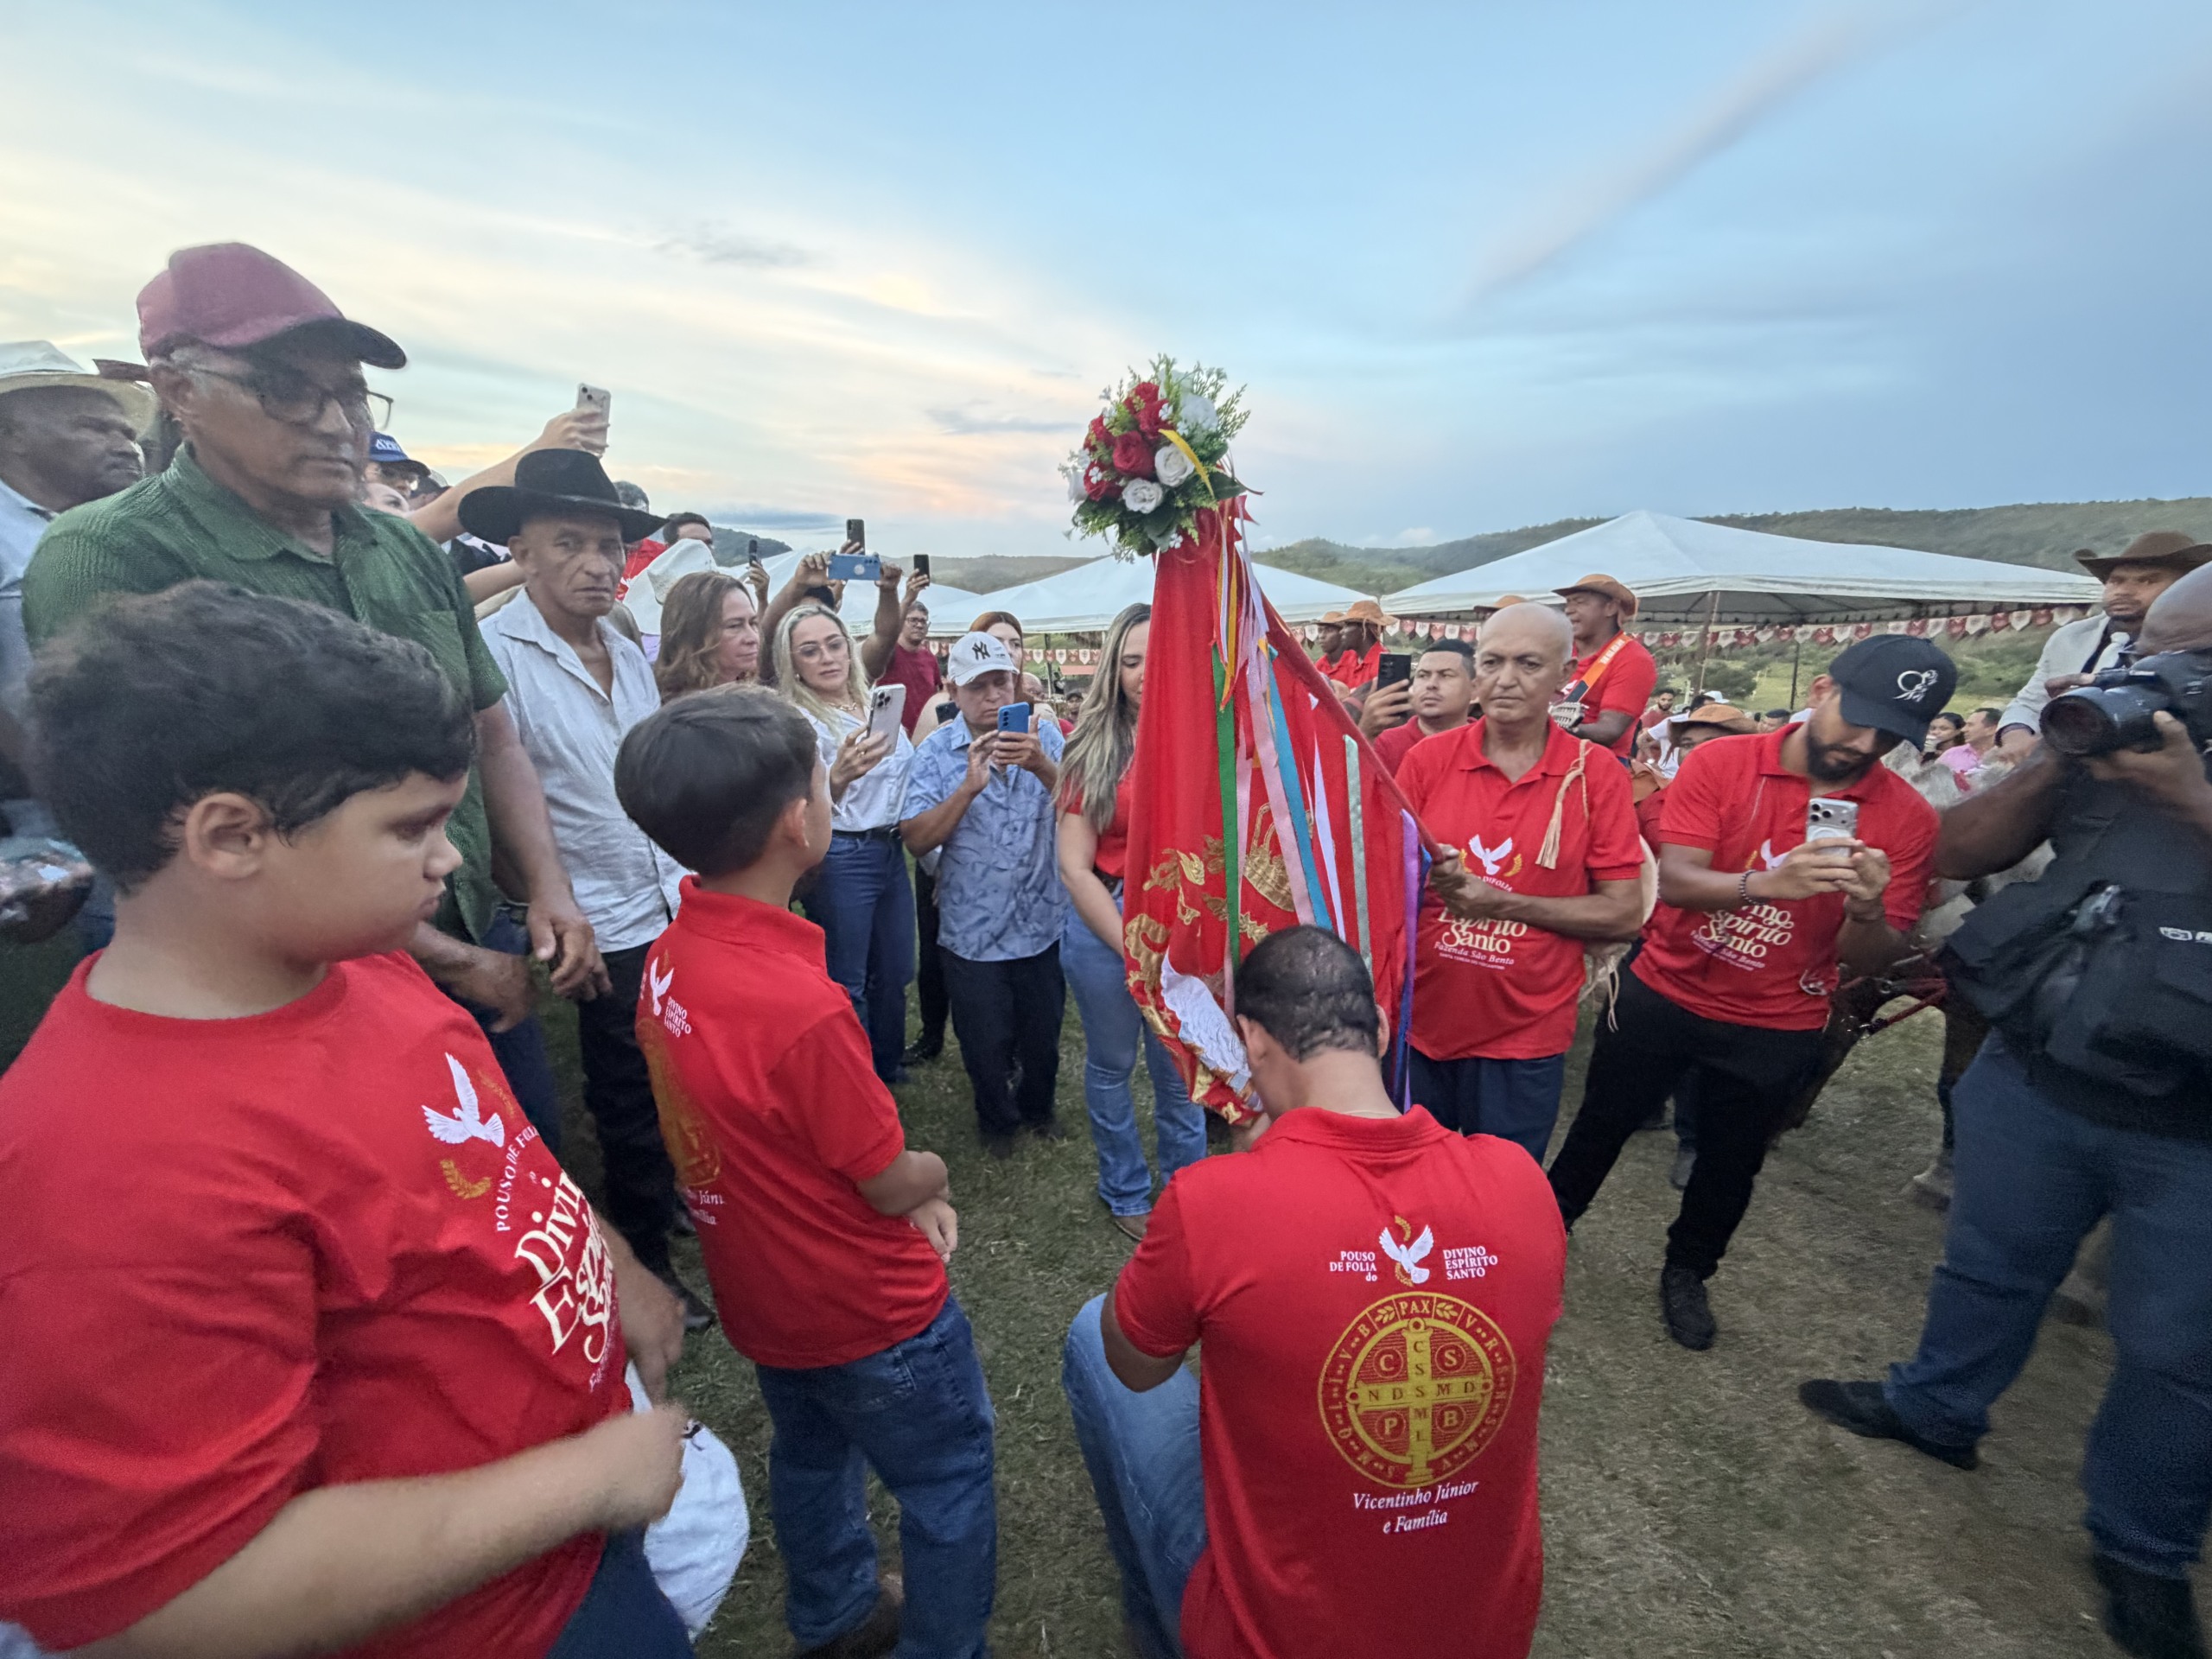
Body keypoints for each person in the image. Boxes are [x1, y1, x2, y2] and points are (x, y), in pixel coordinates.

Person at [0, 583, 692, 1659]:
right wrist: (587, 1479)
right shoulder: (106, 1171)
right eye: (410, 827)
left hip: (571, 1555)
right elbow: (168, 1602)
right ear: (232, 837)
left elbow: (498, 1160)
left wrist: (613, 1271)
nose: (451, 856)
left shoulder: (357, 963)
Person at [21, 241, 603, 1149]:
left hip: (460, 915)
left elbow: (492, 735)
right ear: (178, 390)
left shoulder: (402, 547)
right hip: (285, 974)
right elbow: (198, 831)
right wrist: (447, 960)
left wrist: (549, 891)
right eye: (288, 388)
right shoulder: (114, 557)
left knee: (519, 1167)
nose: (335, 422)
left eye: (351, 393)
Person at [1802, 566, 2212, 1659]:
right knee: (1988, 1261)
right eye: (2145, 653)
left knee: (2178, 1351)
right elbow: (1961, 851)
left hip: (2193, 1122)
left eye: (2194, 658)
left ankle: (2143, 1548)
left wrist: (2190, 797)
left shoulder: (2180, 772)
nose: (2164, 677)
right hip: (2040, 1068)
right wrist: (2060, 764)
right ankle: (1936, 1409)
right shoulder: (2105, 747)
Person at [1061, 925, 1566, 1659]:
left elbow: (1134, 1363)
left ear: (1251, 1041)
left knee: (1088, 1331)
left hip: (1274, 1640)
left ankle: (1159, 1633)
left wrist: (1250, 1179)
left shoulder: (1216, 1202)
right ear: (1383, 1028)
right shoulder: (1520, 1182)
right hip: (1481, 1636)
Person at [616, 687, 995, 1659]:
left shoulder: (671, 953)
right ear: (800, 820)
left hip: (765, 1297)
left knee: (811, 1452)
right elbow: (885, 1177)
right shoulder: (802, 1006)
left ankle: (833, 1613)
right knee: (948, 1477)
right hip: (872, 1309)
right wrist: (938, 1173)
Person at [1546, 636, 1954, 1350]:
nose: (1866, 743)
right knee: (1601, 1123)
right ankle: (1547, 1232)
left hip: (1779, 1015)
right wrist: (1768, 884)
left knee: (1732, 1162)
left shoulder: (1909, 818)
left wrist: (1865, 908)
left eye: (1890, 733)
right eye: (1857, 718)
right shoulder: (1724, 761)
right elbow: (1672, 881)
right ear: (1821, 690)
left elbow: (1868, 958)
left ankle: (1688, 1271)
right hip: (1665, 987)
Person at [468, 450, 711, 1332]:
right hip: (595, 912)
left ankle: (675, 1207)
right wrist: (546, 900)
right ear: (519, 551)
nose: (597, 564)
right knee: (627, 1094)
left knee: (677, 1067)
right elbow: (502, 795)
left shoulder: (624, 647)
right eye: (568, 543)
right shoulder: (497, 655)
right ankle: (646, 1261)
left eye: (608, 545)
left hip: (666, 896)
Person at [1397, 604, 1646, 1160]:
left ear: (1564, 675)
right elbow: (1386, 887)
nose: (1506, 679)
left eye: (1529, 663)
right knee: (1411, 1186)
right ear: (1477, 671)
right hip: (1421, 1026)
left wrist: (1502, 905)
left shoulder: (1594, 774)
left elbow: (1624, 915)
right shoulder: (1427, 761)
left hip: (1523, 1037)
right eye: (1493, 662)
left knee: (1497, 1193)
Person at [1057, 603, 1208, 1240]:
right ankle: (1124, 1188)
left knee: (1183, 1066)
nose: (1146, 672)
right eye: (1131, 660)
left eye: (1158, 656)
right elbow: (1074, 866)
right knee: (1114, 1063)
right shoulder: (1093, 747)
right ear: (1113, 670)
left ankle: (1189, 1190)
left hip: (1189, 921)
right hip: (1109, 918)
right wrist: (1133, 949)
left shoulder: (1210, 738)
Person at [901, 631, 1068, 1156]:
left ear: (1017, 683)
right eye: (978, 687)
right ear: (952, 690)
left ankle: (1038, 1110)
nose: (993, 697)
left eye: (1002, 682)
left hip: (1041, 918)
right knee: (984, 1040)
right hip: (971, 929)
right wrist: (967, 788)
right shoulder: (933, 753)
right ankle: (996, 1123)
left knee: (1042, 1035)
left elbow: (1082, 811)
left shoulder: (1047, 738)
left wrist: (1042, 765)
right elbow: (916, 838)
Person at [0, 341, 154, 823]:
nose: (124, 445)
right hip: (33, 811)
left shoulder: (107, 533)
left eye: (127, 433)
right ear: (9, 435)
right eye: (93, 427)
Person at [772, 600, 916, 1081]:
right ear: (792, 662)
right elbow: (792, 811)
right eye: (810, 651)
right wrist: (836, 779)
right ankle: (858, 1081)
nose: (827, 658)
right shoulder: (797, 722)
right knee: (847, 978)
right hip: (842, 853)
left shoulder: (873, 701)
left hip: (890, 847)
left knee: (895, 969)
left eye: (835, 645)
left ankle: (887, 1065)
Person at [1996, 531, 2212, 757]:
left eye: (2147, 580)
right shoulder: (2071, 636)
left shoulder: (2202, 641)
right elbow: (2030, 701)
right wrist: (2016, 736)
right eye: (2115, 581)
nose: (2123, 591)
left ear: (2187, 589)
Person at [1551, 573, 1657, 759]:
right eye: (1568, 603)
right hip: (1549, 755)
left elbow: (1609, 731)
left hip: (1596, 766)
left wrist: (1545, 727)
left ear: (1610, 608)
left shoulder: (1633, 659)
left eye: (1579, 602)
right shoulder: (1558, 648)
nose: (1569, 610)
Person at [1357, 637, 1478, 774]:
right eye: (1423, 675)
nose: (1431, 684)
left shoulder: (1487, 745)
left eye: (1446, 675)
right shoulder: (1383, 743)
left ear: (1475, 689)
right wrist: (1364, 734)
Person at [651, 569, 761, 697]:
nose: (752, 638)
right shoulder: (680, 711)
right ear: (694, 635)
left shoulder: (751, 698)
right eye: (734, 626)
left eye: (753, 623)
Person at [879, 594, 942, 732]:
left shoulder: (930, 658)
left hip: (925, 736)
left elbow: (938, 693)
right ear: (901, 622)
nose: (919, 625)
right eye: (913, 620)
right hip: (893, 735)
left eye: (923, 621)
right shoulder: (888, 653)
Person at [1321, 600, 1388, 689]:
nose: (1342, 631)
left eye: (1348, 625)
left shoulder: (1383, 664)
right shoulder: (1349, 659)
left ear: (1363, 629)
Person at [1942, 705, 2002, 782]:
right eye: (1965, 725)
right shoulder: (1951, 755)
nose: (1963, 730)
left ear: (1991, 729)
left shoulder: (2007, 755)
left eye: (1970, 725)